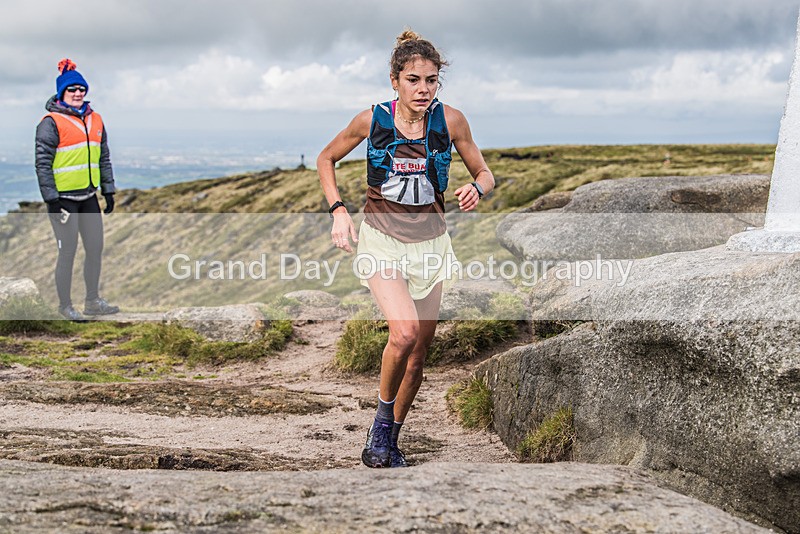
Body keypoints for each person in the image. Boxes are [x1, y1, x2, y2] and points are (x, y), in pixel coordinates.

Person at [317, 30, 495, 468]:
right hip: (382, 240)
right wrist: (338, 211)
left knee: (417, 359)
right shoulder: (372, 120)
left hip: (431, 246)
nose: (423, 89)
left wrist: (477, 188)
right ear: (394, 80)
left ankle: (390, 441)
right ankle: (379, 427)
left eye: (431, 80)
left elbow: (485, 173)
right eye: (413, 80)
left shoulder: (452, 122)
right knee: (404, 333)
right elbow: (326, 159)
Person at [35, 59, 119, 321]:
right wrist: (51, 200)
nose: (78, 93)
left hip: (88, 197)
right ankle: (65, 307)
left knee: (95, 249)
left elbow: (103, 157)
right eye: (72, 89)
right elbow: (42, 164)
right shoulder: (51, 122)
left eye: (82, 89)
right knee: (67, 252)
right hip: (63, 201)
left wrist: (108, 190)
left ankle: (92, 301)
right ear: (62, 92)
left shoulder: (96, 119)